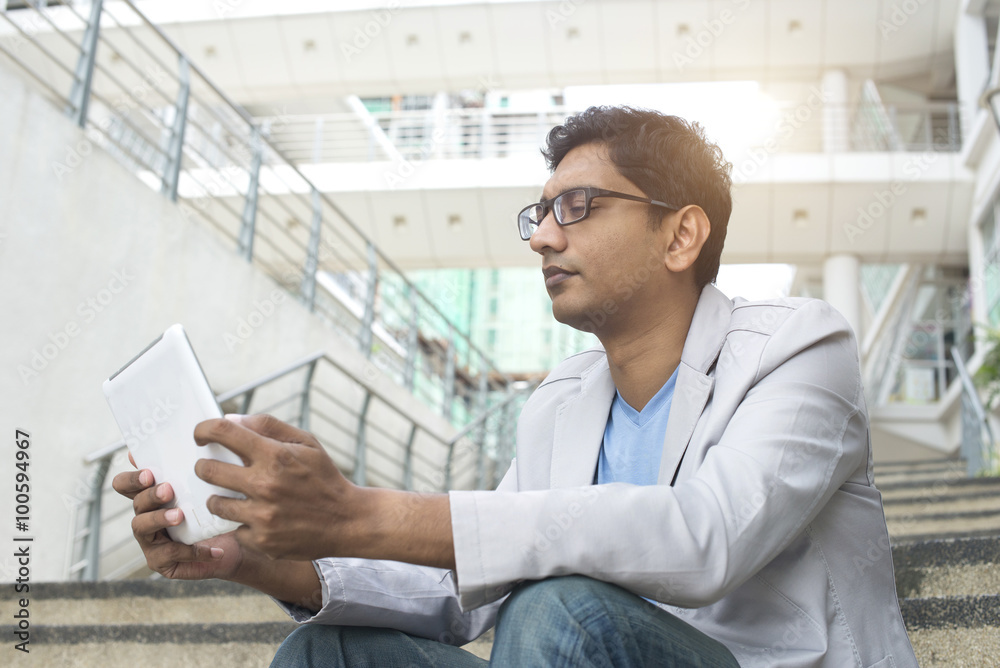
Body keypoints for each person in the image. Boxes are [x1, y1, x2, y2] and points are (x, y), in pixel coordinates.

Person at [114, 106, 918, 667]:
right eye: (537, 214)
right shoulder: (559, 404)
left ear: (681, 234)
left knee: (559, 609)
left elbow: (707, 537)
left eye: (577, 206)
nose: (541, 237)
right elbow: (464, 600)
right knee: (335, 652)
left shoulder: (801, 346)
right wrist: (251, 559)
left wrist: (363, 511)